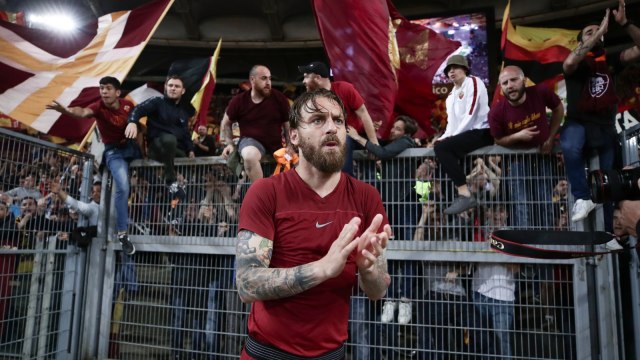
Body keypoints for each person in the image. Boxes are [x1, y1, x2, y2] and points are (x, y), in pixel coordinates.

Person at [235, 88, 391, 359]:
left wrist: (367, 270)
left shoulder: (367, 197)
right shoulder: (266, 191)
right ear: (294, 135)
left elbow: (378, 291)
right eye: (318, 120)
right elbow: (247, 284)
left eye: (338, 120)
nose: (331, 127)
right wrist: (321, 269)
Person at [560, 0, 640, 224]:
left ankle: (608, 233)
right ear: (581, 40)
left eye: (598, 31)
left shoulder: (611, 61)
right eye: (589, 32)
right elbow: (568, 62)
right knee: (570, 145)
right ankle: (582, 197)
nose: (595, 33)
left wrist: (625, 23)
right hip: (578, 123)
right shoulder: (577, 63)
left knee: (609, 183)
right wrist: (599, 33)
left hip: (604, 128)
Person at [47, 76, 137, 255]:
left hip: (133, 147)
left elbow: (138, 126)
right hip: (114, 152)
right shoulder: (98, 106)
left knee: (151, 173)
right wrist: (67, 111)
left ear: (117, 93)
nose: (103, 91)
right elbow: (82, 112)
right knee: (123, 187)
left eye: (108, 88)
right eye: (101, 88)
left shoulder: (128, 106)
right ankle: (123, 234)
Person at [348, 115, 418, 325]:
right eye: (393, 128)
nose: (393, 131)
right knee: (390, 252)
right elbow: (379, 149)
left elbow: (382, 152)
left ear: (406, 133)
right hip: (391, 204)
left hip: (406, 203)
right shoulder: (394, 142)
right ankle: (391, 299)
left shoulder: (407, 143)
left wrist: (358, 138)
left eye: (397, 129)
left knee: (406, 251)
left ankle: (405, 299)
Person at [489, 65, 564, 228]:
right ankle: (525, 245)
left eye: (513, 80)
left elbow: (558, 108)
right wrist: (518, 136)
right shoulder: (496, 111)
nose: (509, 85)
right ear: (501, 88)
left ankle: (546, 243)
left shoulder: (540, 92)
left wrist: (551, 137)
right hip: (516, 161)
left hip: (543, 156)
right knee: (521, 205)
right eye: (505, 83)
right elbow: (498, 140)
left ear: (523, 80)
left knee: (545, 203)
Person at [434, 54, 493, 215]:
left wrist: (452, 138)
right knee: (440, 147)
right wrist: (443, 138)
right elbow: (452, 124)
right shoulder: (451, 96)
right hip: (465, 135)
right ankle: (458, 195)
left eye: (455, 68)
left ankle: (464, 194)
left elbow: (471, 112)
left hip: (482, 131)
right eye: (448, 70)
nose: (451, 72)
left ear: (465, 69)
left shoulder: (474, 82)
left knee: (443, 149)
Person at [298, 61, 380, 175]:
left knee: (345, 141)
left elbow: (364, 114)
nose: (303, 81)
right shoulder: (310, 99)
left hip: (354, 139)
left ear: (317, 78)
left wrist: (374, 145)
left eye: (306, 77)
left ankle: (345, 184)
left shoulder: (344, 89)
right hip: (327, 139)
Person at [125, 74, 195, 199]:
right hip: (156, 148)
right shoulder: (156, 101)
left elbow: (185, 134)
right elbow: (138, 109)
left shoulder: (183, 112)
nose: (173, 88)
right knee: (169, 139)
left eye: (177, 86)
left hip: (172, 150)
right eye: (170, 85)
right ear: (165, 87)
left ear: (182, 91)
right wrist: (132, 121)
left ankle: (190, 189)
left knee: (187, 160)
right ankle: (170, 180)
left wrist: (190, 150)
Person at [220, 65, 290, 183]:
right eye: (263, 78)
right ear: (252, 80)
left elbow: (288, 125)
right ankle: (261, 194)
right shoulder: (239, 100)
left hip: (276, 146)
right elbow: (225, 123)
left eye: (270, 79)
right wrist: (230, 144)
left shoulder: (280, 98)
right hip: (250, 141)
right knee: (249, 155)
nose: (268, 82)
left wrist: (290, 145)